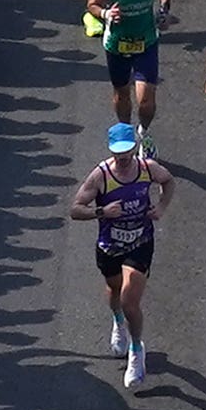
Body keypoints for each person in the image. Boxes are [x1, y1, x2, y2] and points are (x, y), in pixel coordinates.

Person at [70, 119, 172, 391]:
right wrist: (102, 212)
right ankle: (118, 322)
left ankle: (137, 350)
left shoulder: (146, 168)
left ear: (134, 148)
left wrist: (161, 206)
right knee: (114, 290)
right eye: (118, 152)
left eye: (128, 151)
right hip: (109, 245)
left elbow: (168, 180)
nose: (124, 157)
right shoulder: (101, 175)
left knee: (130, 299)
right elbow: (75, 209)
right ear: (111, 150)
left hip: (140, 241)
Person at [84, 0, 172, 130]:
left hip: (146, 41)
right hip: (117, 44)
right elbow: (92, 5)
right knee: (122, 94)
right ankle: (125, 130)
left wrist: (164, 9)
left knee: (146, 100)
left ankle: (145, 133)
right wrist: (106, 14)